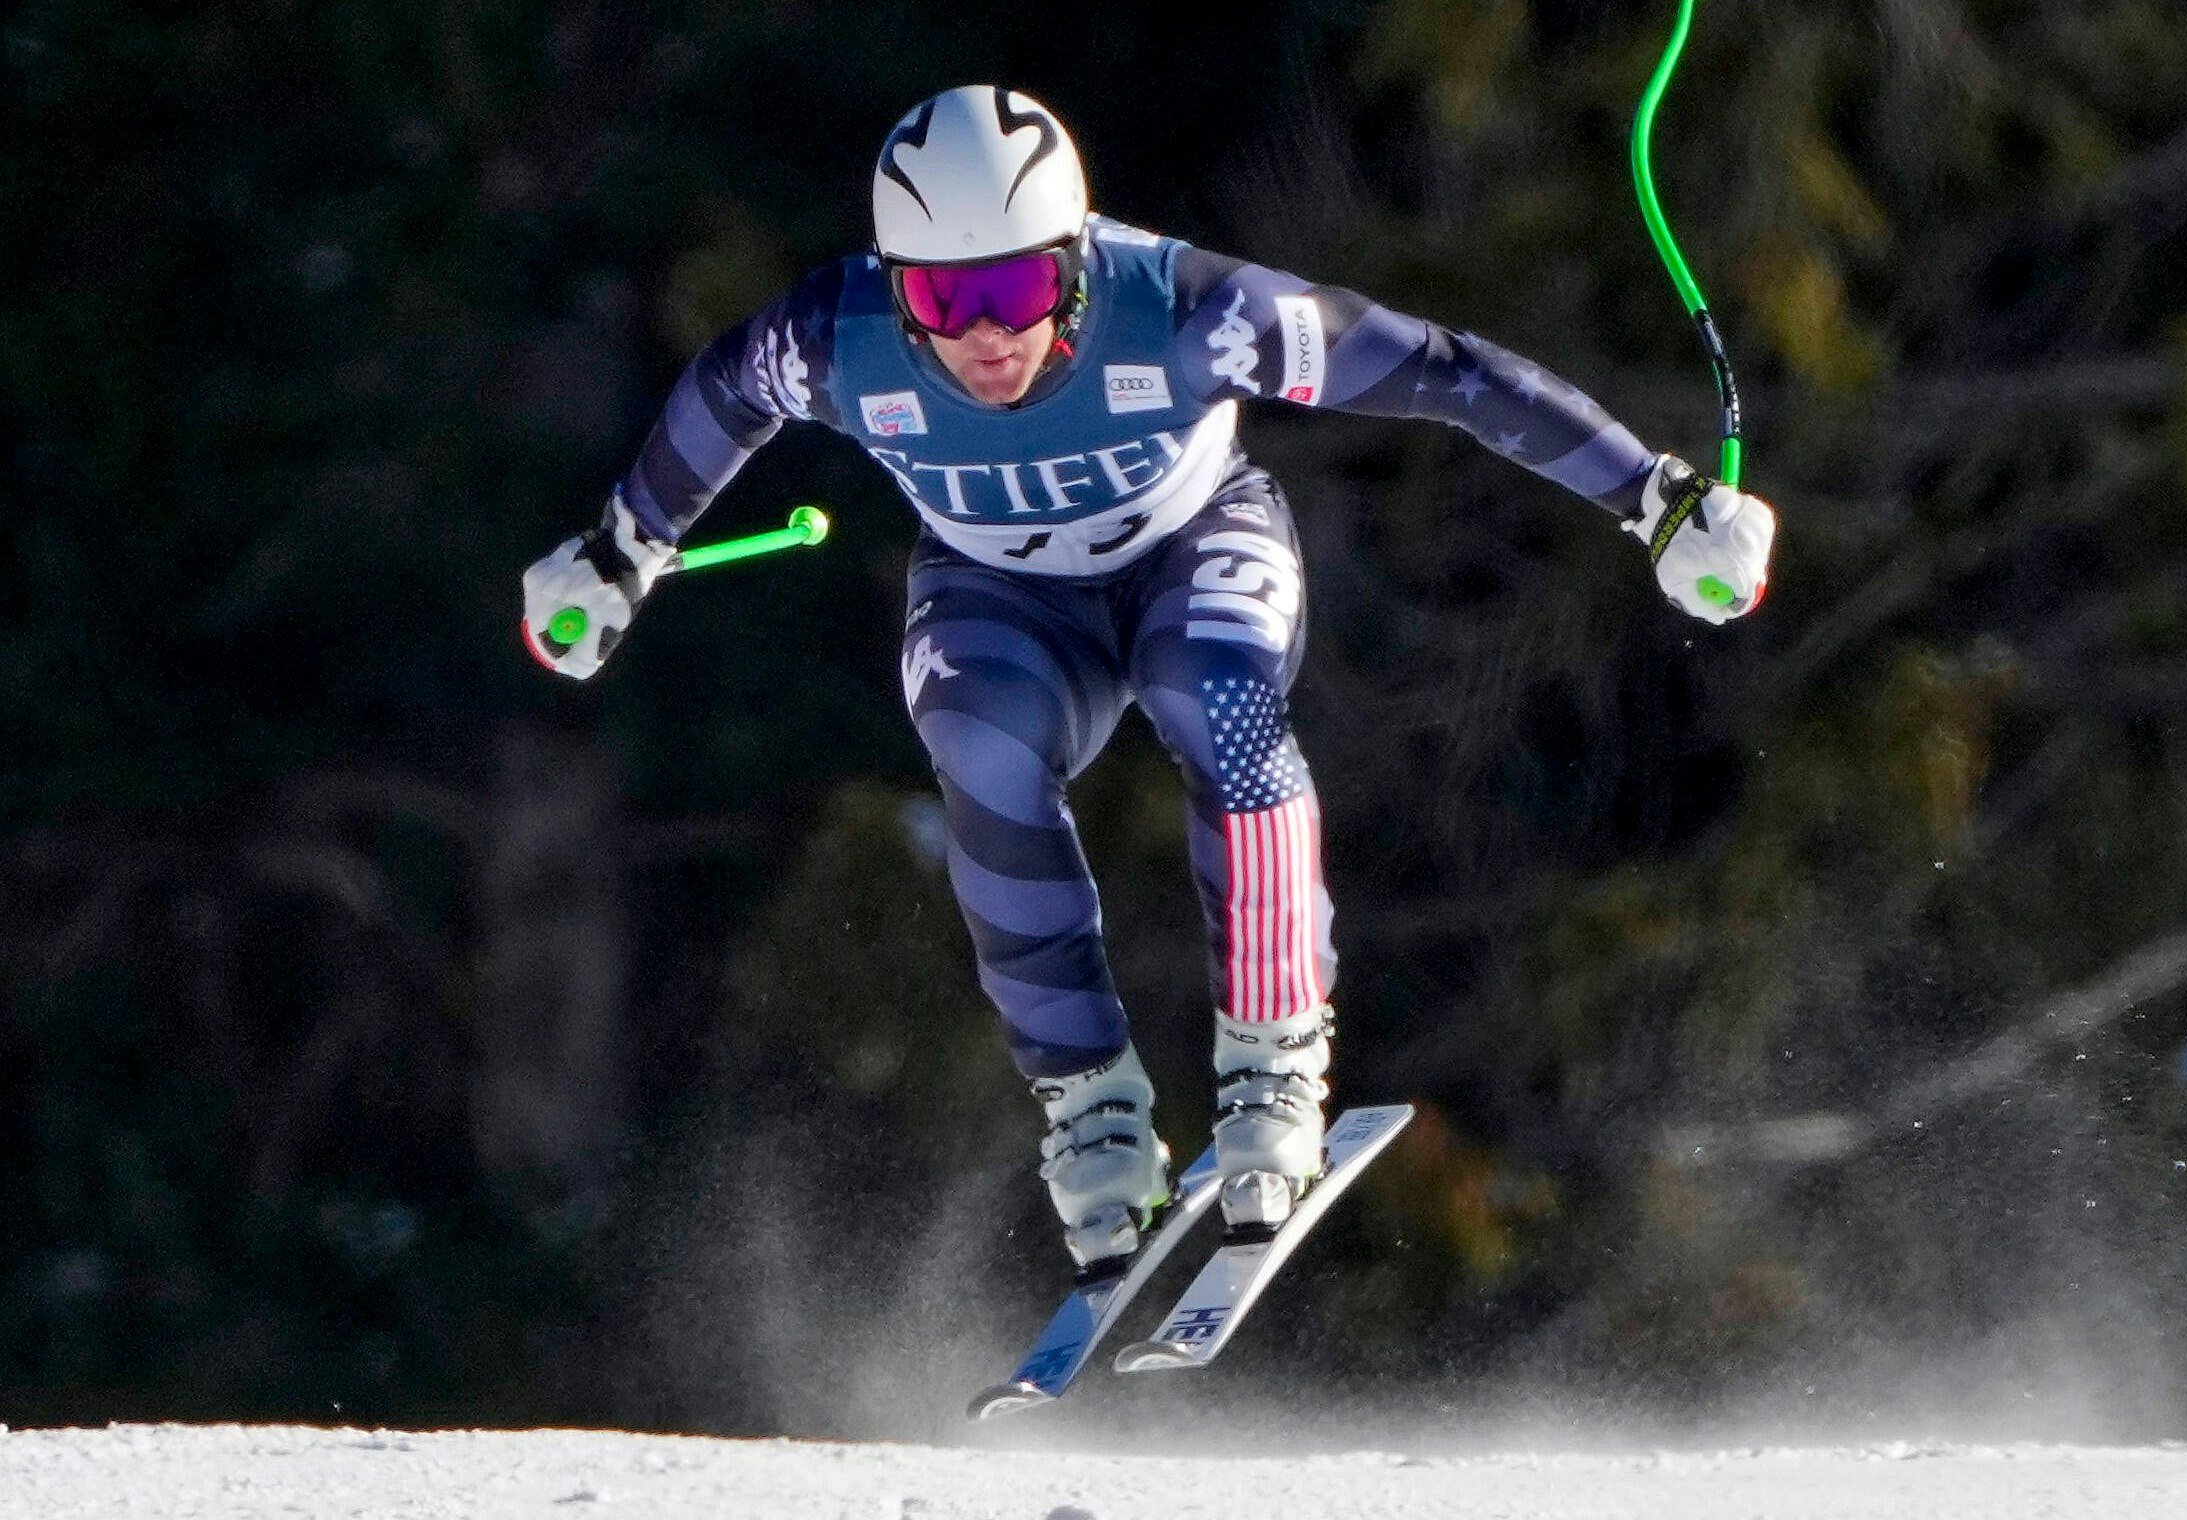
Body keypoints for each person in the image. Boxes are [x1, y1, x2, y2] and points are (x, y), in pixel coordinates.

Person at [522, 85, 1776, 1274]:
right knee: (978, 740)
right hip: (999, 589)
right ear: (895, 291)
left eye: (1016, 286)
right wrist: (620, 551)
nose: (986, 337)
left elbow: (1441, 372)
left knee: (1216, 693)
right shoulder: (838, 339)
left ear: (1072, 262)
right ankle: (1089, 1105)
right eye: (944, 301)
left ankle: (1275, 1050)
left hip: (1190, 545)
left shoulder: (1189, 310)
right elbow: (726, 390)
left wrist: (1655, 501)